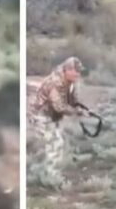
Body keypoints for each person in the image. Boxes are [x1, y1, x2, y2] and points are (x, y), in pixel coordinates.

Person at [28, 56, 86, 188]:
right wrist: (76, 112)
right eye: (76, 71)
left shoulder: (71, 82)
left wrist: (79, 108)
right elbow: (59, 107)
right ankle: (50, 180)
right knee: (55, 143)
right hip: (41, 115)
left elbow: (73, 101)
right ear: (68, 70)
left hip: (52, 116)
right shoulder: (55, 82)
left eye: (79, 71)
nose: (78, 74)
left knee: (55, 143)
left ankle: (44, 173)